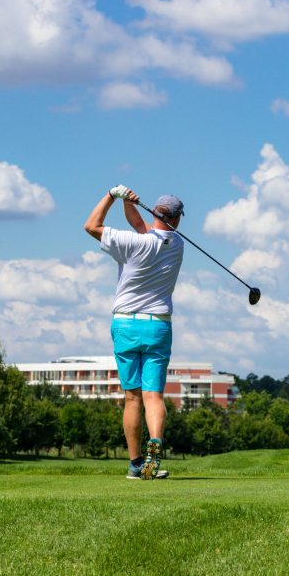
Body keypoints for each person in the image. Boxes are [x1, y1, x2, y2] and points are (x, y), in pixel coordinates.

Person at [84, 185, 185, 480]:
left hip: (126, 324)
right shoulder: (177, 245)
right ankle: (156, 442)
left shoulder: (131, 243)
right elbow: (144, 228)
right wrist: (131, 205)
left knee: (132, 398)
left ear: (155, 212)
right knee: (153, 395)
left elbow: (91, 225)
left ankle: (135, 463)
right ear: (177, 220)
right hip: (158, 326)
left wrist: (112, 196)